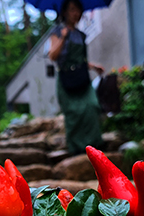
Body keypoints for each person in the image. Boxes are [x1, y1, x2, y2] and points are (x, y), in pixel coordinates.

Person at [48, 0, 104, 155]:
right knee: (73, 113)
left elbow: (80, 60)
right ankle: (76, 149)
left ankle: (94, 146)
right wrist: (63, 37)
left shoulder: (81, 35)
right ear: (64, 12)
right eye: (72, 10)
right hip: (66, 79)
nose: (76, 13)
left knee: (92, 106)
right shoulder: (57, 32)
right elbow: (52, 56)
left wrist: (93, 66)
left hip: (82, 78)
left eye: (78, 10)